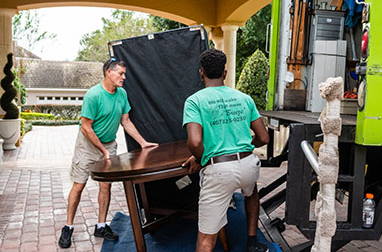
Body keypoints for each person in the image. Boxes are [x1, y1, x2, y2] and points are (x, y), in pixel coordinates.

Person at [58, 58, 158, 249]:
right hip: (87, 146)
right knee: (79, 186)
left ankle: (101, 226)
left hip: (109, 144)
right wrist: (103, 151)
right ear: (108, 73)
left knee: (106, 187)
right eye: (121, 73)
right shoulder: (93, 96)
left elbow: (126, 121)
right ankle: (68, 226)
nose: (124, 77)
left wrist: (143, 143)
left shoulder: (122, 94)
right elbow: (86, 127)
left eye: (124, 73)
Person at [182, 49, 270, 252]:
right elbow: (264, 138)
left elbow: (194, 142)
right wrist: (244, 147)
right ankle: (251, 242)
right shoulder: (244, 98)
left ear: (201, 72)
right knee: (251, 192)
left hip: (219, 170)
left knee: (206, 237)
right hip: (249, 165)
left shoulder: (195, 101)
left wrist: (203, 158)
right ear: (225, 73)